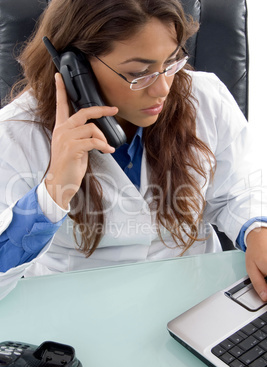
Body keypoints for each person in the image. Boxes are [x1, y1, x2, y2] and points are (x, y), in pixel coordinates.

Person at [0, 0, 267, 301]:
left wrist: (257, 229)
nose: (163, 88)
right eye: (140, 73)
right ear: (75, 68)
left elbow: (238, 191)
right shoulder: (17, 132)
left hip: (195, 298)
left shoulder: (206, 97)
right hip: (78, 309)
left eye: (170, 63)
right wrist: (53, 190)